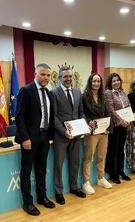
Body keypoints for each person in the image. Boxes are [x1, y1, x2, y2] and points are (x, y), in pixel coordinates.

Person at [15, 63, 55, 216]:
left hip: (44, 137)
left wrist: (50, 136)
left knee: (41, 169)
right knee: (26, 171)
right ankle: (28, 202)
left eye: (48, 75)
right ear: (35, 74)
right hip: (30, 138)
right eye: (43, 74)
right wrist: (24, 138)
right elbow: (19, 117)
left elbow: (50, 117)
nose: (46, 77)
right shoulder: (26, 91)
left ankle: (42, 197)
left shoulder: (49, 93)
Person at [51, 64, 86, 205]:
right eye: (65, 76)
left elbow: (81, 112)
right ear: (60, 78)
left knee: (75, 162)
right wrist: (64, 131)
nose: (68, 79)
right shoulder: (53, 93)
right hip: (61, 136)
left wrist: (83, 125)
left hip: (76, 135)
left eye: (70, 76)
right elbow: (53, 116)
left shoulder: (78, 92)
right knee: (58, 165)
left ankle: (74, 187)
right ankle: (58, 192)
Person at [82, 73, 112, 195]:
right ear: (90, 82)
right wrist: (88, 122)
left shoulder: (103, 96)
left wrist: (108, 127)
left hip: (103, 132)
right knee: (89, 157)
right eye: (94, 81)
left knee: (101, 156)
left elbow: (108, 113)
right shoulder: (84, 96)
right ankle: (86, 182)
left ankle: (100, 178)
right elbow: (82, 113)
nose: (96, 83)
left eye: (98, 81)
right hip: (92, 132)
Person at [105, 72, 131, 184]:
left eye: (118, 80)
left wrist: (129, 119)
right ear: (110, 83)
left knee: (121, 149)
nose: (116, 82)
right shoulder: (108, 93)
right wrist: (121, 121)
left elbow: (128, 106)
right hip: (115, 126)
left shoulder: (122, 92)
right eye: (114, 81)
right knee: (113, 150)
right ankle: (113, 173)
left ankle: (121, 171)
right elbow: (110, 110)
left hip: (125, 125)